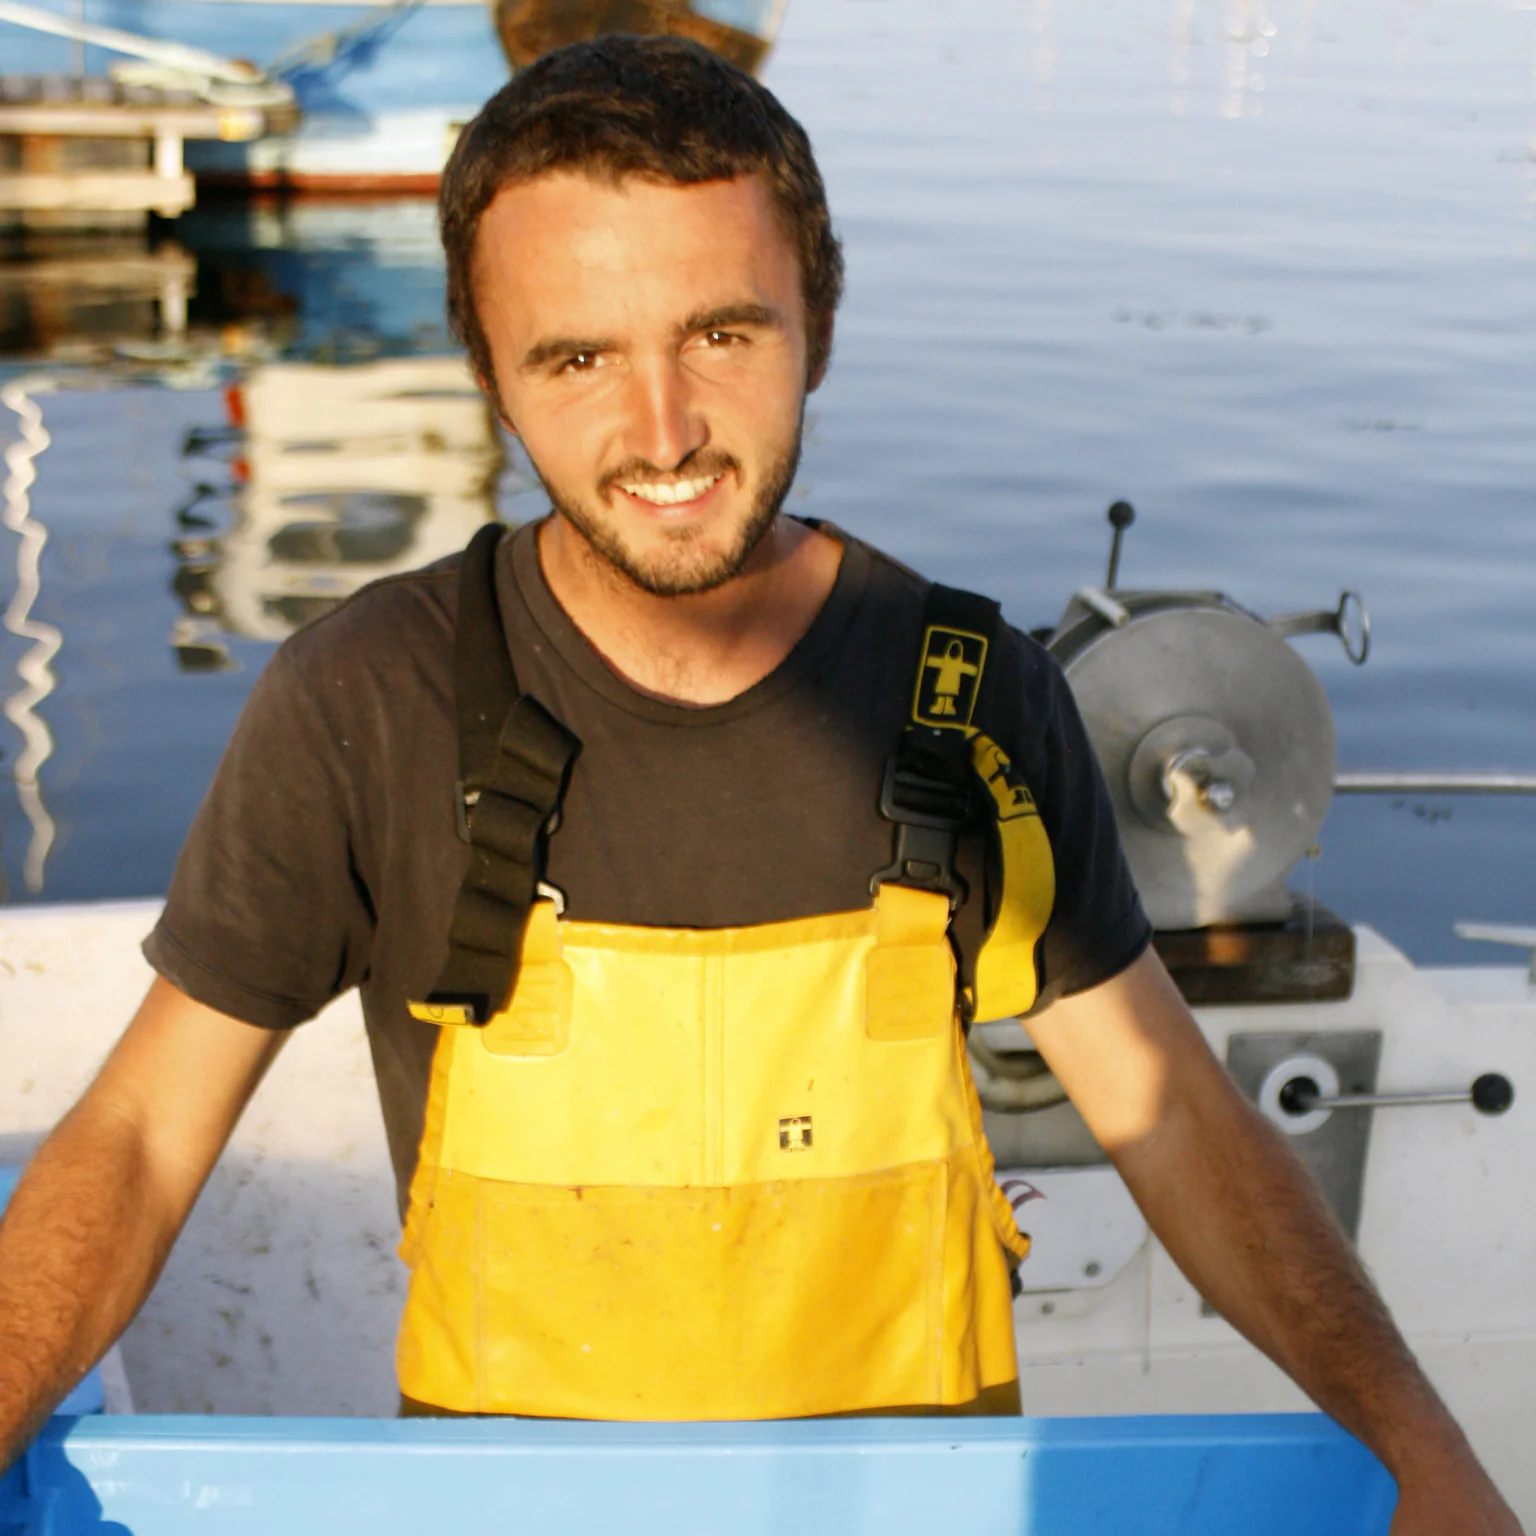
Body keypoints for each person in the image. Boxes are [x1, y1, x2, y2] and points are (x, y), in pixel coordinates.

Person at [0, 36, 1520, 1531]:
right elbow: (136, 1139)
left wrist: (1420, 1450)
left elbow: (1177, 1117)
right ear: (488, 371)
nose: (661, 433)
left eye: (721, 333)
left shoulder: (974, 698)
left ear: (822, 324)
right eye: (578, 357)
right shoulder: (364, 702)